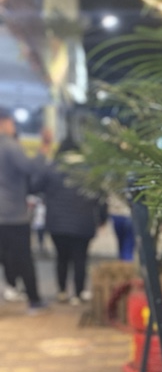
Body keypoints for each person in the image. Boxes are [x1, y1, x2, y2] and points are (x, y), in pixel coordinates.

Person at [43, 138, 107, 305]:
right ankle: (78, 294)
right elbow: (100, 197)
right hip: (83, 223)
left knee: (61, 258)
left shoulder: (52, 168)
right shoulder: (89, 170)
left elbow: (37, 187)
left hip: (57, 223)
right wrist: (102, 218)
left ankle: (62, 292)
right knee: (80, 259)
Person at [0, 107, 46, 312]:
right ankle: (34, 300)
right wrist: (44, 149)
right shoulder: (10, 146)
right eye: (12, 123)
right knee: (24, 258)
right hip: (12, 214)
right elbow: (31, 168)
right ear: (4, 122)